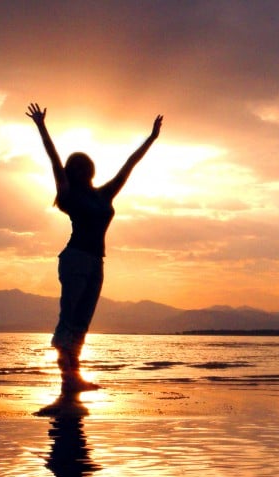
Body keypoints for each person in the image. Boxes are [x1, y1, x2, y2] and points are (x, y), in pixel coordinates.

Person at [26, 102, 162, 394]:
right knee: (70, 316)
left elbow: (129, 165)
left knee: (83, 320)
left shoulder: (104, 194)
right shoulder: (68, 196)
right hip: (75, 259)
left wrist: (151, 139)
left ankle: (73, 379)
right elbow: (53, 161)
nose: (82, 169)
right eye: (77, 167)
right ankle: (68, 378)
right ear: (74, 172)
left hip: (96, 262)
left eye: (83, 165)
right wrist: (41, 127)